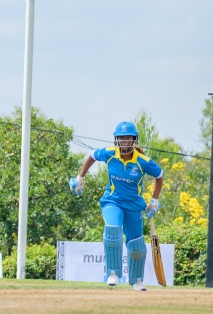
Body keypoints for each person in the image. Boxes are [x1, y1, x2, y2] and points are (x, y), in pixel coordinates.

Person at [70, 121, 163, 291]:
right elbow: (92, 155)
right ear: (116, 140)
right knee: (113, 231)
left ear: (134, 140)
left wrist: (154, 202)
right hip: (113, 200)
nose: (124, 141)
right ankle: (113, 273)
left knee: (135, 246)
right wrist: (80, 178)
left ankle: (137, 280)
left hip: (134, 205)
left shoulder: (143, 161)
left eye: (128, 138)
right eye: (121, 138)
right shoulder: (110, 154)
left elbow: (159, 175)